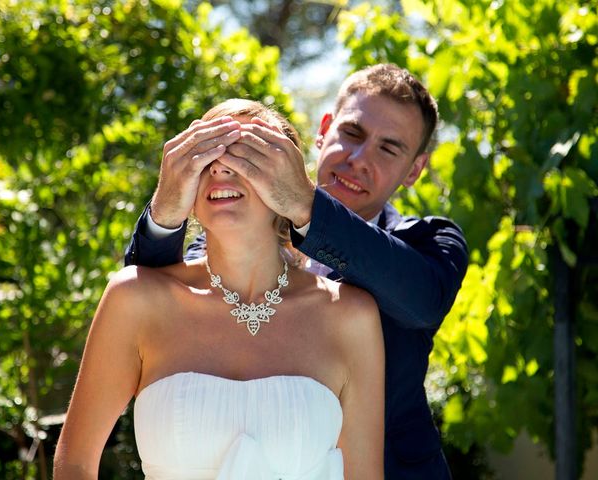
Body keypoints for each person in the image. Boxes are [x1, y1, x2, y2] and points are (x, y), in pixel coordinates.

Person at [125, 63, 469, 478]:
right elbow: (146, 310)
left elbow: (421, 301)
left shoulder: (429, 245)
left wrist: (306, 208)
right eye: (352, 134)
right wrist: (165, 212)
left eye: (389, 148)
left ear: (414, 170)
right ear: (325, 129)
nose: (359, 159)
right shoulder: (237, 232)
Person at [54, 99, 385, 479]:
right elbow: (76, 462)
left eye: (246, 153)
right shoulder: (135, 298)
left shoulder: (350, 315)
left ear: (287, 184)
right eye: (205, 152)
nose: (221, 166)